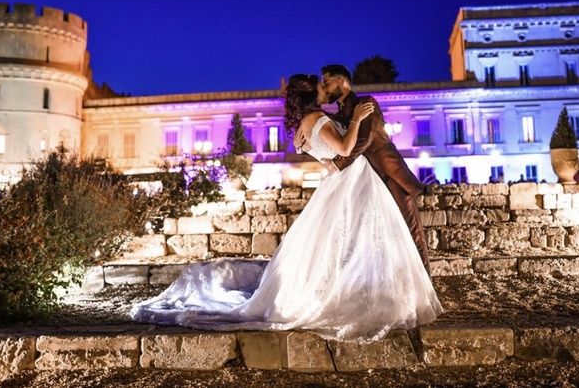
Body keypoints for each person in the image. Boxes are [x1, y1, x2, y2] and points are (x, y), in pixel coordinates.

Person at [131, 74, 443, 343]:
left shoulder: (303, 131)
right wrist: (359, 118)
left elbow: (330, 165)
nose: (324, 88)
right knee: (365, 239)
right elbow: (347, 149)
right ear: (311, 93)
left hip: (342, 180)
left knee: (347, 242)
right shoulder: (317, 120)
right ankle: (368, 293)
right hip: (355, 180)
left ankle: (359, 288)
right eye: (319, 86)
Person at [296, 64, 432, 276]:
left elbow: (364, 141)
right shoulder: (339, 116)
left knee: (410, 231)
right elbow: (328, 140)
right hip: (366, 181)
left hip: (389, 174)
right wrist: (302, 146)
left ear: (342, 81)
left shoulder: (366, 103)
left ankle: (425, 284)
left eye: (327, 83)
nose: (325, 89)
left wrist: (337, 164)